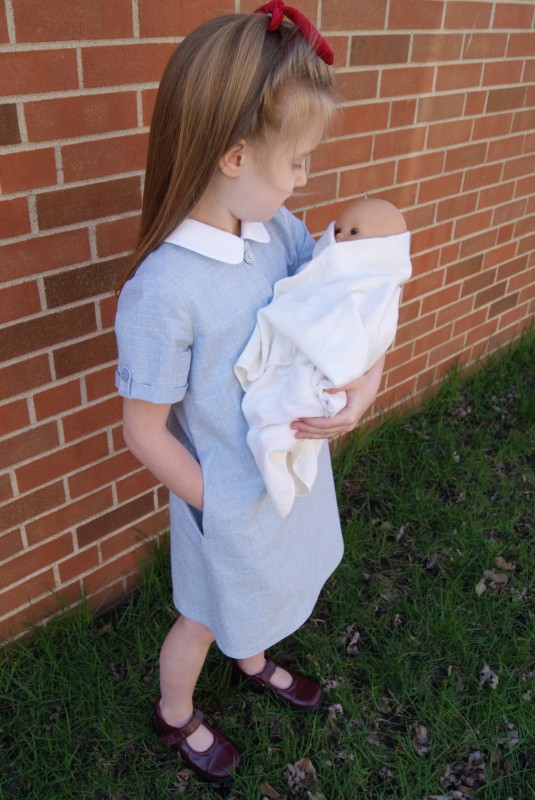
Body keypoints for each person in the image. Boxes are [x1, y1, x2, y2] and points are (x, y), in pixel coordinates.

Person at [114, 1, 386, 784]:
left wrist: (361, 391)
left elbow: (345, 310)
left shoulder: (279, 232)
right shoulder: (166, 289)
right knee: (204, 610)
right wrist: (218, 500)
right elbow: (145, 429)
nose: (305, 178)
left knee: (263, 586)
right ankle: (176, 714)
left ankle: (255, 655)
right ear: (234, 157)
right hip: (222, 497)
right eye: (296, 161)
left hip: (287, 477)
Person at [235, 197, 411, 517]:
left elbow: (374, 328)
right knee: (281, 401)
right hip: (298, 352)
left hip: (326, 366)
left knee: (299, 407)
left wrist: (367, 379)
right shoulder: (328, 261)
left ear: (383, 249)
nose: (340, 237)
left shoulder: (376, 284)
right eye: (339, 229)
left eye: (354, 232)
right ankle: (275, 448)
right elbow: (311, 281)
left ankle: (277, 450)